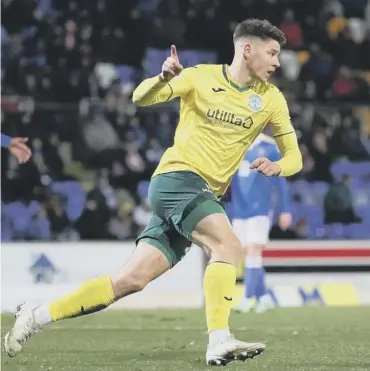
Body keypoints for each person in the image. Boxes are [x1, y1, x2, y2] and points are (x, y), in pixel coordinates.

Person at [5, 19, 302, 366]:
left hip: (200, 195)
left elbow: (293, 154)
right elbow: (140, 97)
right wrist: (164, 77)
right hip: (178, 179)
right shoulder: (199, 77)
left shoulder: (271, 99)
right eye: (272, 53)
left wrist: (278, 166)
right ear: (247, 50)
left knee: (129, 280)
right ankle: (219, 339)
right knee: (228, 246)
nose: (277, 62)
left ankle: (35, 316)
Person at [231, 133, 292, 313]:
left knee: (253, 250)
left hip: (260, 208)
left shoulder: (269, 147)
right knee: (245, 253)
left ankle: (248, 298)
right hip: (239, 209)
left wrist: (284, 209)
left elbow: (280, 180)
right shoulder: (235, 144)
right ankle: (263, 296)